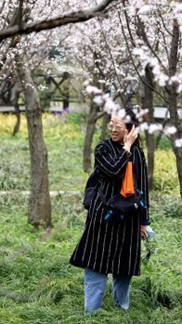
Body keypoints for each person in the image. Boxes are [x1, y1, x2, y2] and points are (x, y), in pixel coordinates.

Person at [70, 110, 150, 314]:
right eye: (111, 124)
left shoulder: (139, 154)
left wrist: (144, 222)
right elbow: (114, 171)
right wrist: (127, 148)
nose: (113, 129)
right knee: (96, 262)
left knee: (124, 267)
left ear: (130, 129)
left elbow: (143, 189)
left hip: (129, 218)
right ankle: (92, 311)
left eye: (119, 125)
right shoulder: (103, 148)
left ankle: (121, 309)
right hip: (103, 215)